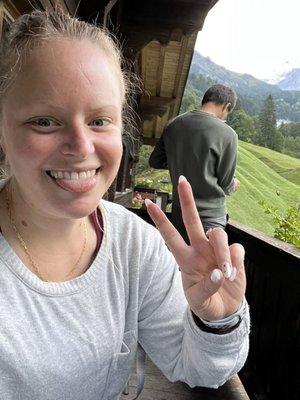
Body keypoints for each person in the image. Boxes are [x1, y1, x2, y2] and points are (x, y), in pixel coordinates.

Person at [0, 9, 249, 400]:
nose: (82, 147)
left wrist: (214, 320)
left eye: (100, 121)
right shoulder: (227, 135)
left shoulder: (136, 245)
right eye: (45, 121)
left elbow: (198, 367)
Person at [149, 84, 240, 240]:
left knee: (178, 262)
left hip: (180, 215)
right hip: (210, 218)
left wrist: (179, 161)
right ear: (227, 106)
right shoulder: (227, 134)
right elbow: (225, 183)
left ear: (205, 100)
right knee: (206, 263)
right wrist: (233, 184)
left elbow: (155, 161)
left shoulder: (173, 124)